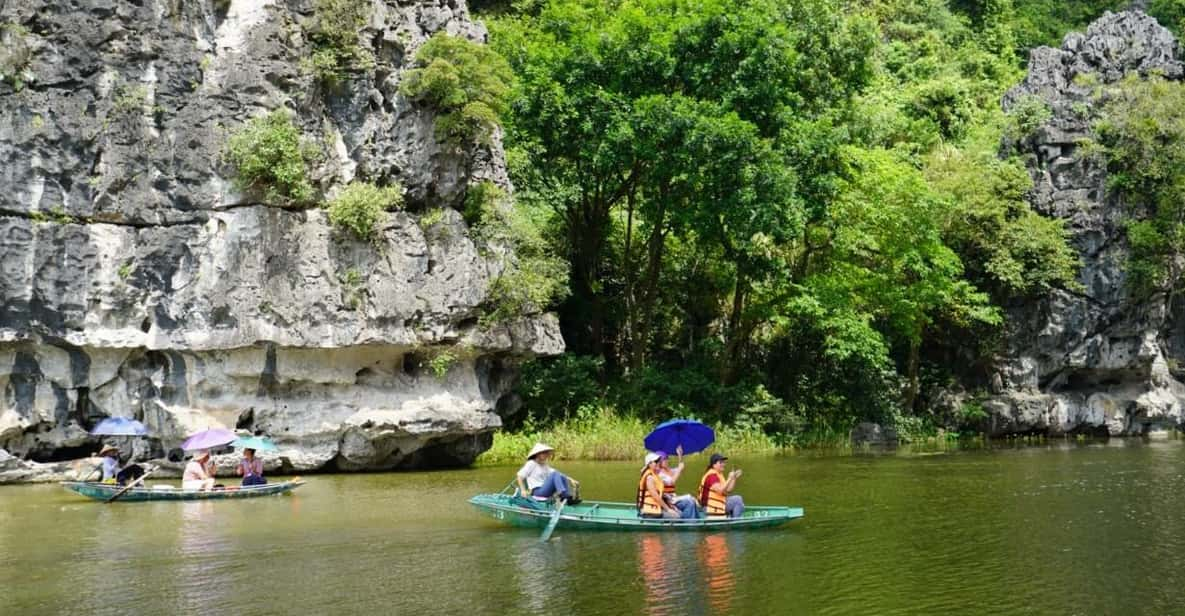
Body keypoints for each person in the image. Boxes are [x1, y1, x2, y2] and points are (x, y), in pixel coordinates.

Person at [515, 443, 580, 504]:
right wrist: (523, 490)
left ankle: (566, 497)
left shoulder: (544, 464)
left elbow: (557, 473)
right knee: (555, 474)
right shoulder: (531, 463)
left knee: (561, 476)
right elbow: (519, 476)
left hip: (545, 489)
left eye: (547, 453)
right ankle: (562, 494)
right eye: (544, 453)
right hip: (537, 492)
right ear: (538, 454)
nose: (547, 455)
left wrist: (571, 480)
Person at [656, 447, 699, 519]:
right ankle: (689, 524)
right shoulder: (659, 474)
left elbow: (680, 469)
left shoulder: (669, 471)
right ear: (659, 462)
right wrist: (679, 469)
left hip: (673, 498)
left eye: (666, 458)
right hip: (668, 500)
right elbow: (671, 482)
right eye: (664, 459)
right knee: (690, 502)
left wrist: (680, 455)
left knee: (692, 499)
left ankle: (696, 520)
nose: (666, 461)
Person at [698, 453, 744, 518]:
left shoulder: (718, 474)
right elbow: (720, 490)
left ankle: (733, 518)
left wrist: (734, 478)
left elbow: (728, 490)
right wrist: (729, 478)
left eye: (724, 462)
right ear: (714, 465)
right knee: (738, 500)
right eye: (721, 462)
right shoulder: (712, 476)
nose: (723, 464)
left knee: (739, 501)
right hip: (709, 507)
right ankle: (735, 521)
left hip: (717, 504)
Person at [638, 452, 681, 519]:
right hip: (649, 511)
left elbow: (661, 494)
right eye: (656, 461)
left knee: (679, 513)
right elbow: (656, 496)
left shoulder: (655, 475)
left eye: (658, 461)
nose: (658, 463)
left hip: (656, 508)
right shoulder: (650, 478)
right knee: (676, 517)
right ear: (649, 464)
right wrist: (668, 509)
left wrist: (669, 505)